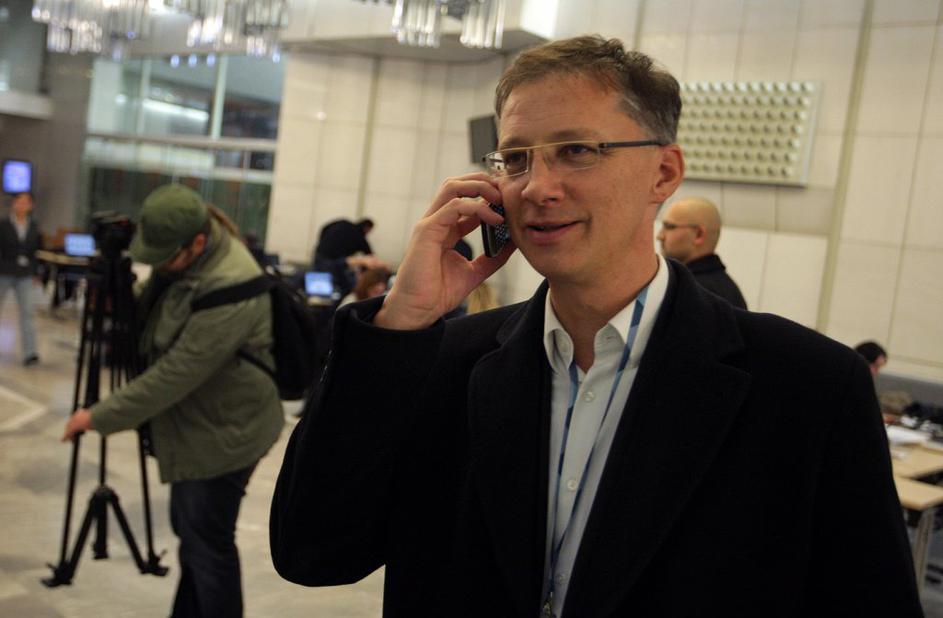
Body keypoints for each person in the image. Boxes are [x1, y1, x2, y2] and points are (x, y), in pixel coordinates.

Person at [270, 36, 919, 617]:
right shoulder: (443, 361)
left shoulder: (807, 387)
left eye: (577, 151)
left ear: (663, 173)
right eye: (516, 158)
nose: (537, 187)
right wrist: (400, 324)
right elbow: (312, 551)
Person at [62, 184, 284, 617]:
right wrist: (119, 290)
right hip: (204, 424)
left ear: (196, 242)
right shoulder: (194, 257)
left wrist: (97, 416)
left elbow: (175, 375)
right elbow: (156, 310)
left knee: (207, 542)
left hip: (228, 434)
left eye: (165, 259)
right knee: (194, 536)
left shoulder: (231, 283)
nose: (159, 267)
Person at [657, 196, 747, 309]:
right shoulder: (728, 288)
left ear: (698, 235)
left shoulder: (692, 292)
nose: (660, 236)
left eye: (669, 227)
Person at [0, 192, 42, 365]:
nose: (23, 205)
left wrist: (36, 272)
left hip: (25, 273)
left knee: (28, 312)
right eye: (20, 202)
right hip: (4, 271)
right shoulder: (3, 224)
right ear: (13, 204)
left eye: (26, 202)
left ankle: (30, 352)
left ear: (31, 206)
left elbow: (36, 251)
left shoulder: (34, 226)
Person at [312, 218, 378, 298]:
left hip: (321, 253)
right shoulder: (360, 237)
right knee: (343, 287)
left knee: (318, 284)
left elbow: (324, 228)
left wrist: (322, 242)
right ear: (367, 228)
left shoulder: (343, 223)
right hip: (336, 262)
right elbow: (370, 256)